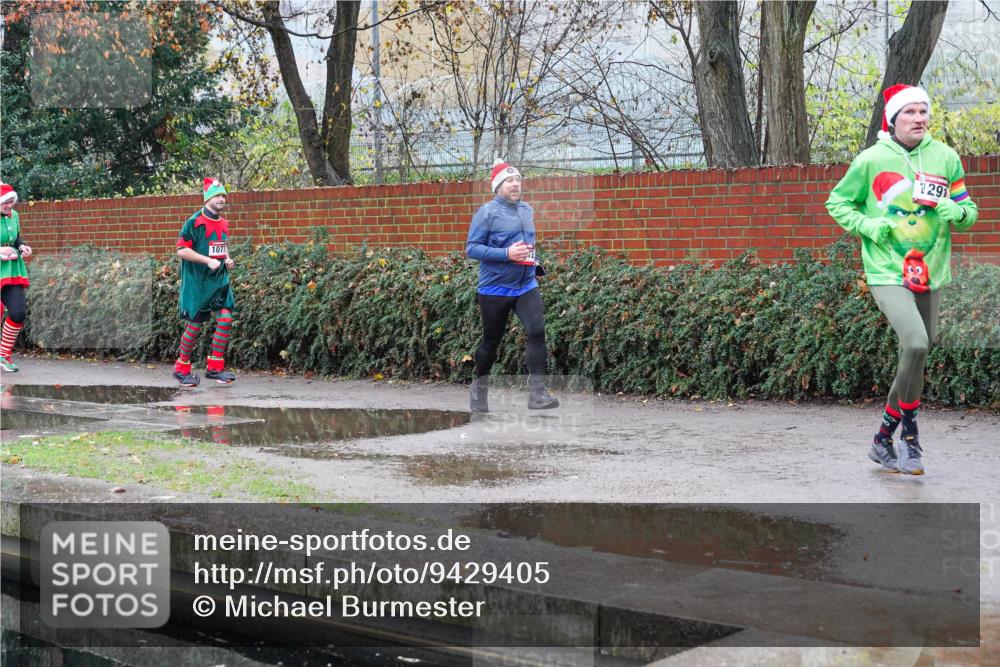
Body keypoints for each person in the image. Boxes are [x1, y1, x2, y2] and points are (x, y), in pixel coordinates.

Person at [826, 84, 978, 475]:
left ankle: (882, 438)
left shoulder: (945, 157)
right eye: (909, 113)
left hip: (931, 269)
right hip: (885, 269)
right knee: (914, 343)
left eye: (923, 112)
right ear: (893, 119)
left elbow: (968, 210)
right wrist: (868, 225)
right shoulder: (871, 160)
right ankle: (909, 436)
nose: (918, 119)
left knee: (919, 355)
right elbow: (837, 202)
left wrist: (955, 211)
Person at [465, 158, 559, 413]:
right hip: (494, 289)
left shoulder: (527, 210)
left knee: (537, 332)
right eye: (509, 181)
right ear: (498, 186)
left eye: (518, 180)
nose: (515, 184)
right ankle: (479, 388)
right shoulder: (486, 213)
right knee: (491, 342)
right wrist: (506, 254)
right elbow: (471, 249)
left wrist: (533, 262)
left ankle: (538, 394)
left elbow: (527, 244)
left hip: (525, 286)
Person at [173, 178, 237, 386]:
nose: (221, 199)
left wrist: (226, 258)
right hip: (198, 283)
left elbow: (220, 243)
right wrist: (207, 260)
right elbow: (182, 250)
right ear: (208, 198)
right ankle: (182, 368)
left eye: (223, 196)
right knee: (195, 326)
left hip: (220, 281)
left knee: (226, 319)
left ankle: (215, 368)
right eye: (218, 195)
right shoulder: (193, 222)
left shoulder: (224, 222)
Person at [0, 182, 32, 373]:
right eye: (5, 203)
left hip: (10, 270)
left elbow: (16, 237)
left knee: (18, 312)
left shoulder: (15, 216)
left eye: (12, 202)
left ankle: (3, 354)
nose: (9, 206)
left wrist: (22, 246)